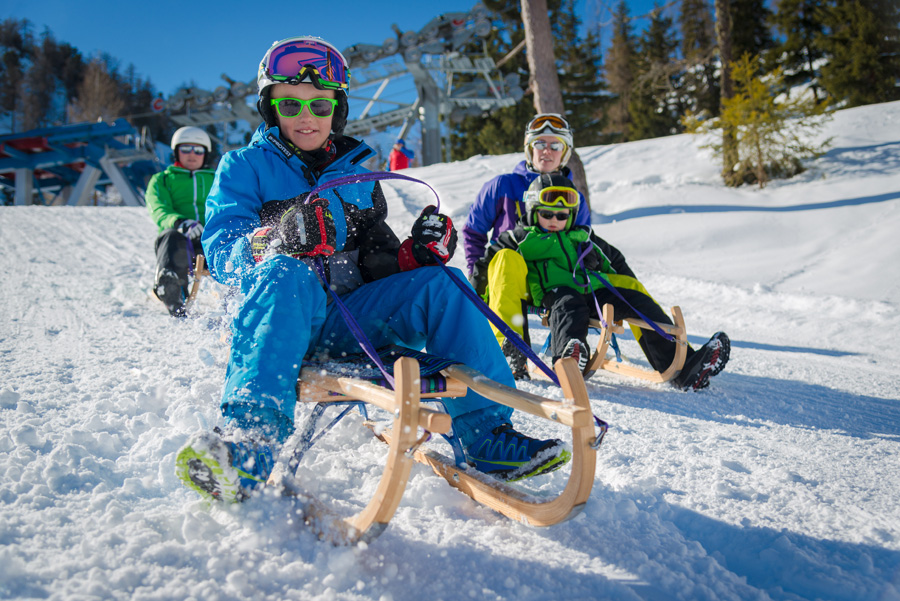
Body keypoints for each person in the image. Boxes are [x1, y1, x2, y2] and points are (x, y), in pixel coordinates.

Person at [175, 36, 570, 504]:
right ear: (270, 107)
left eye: (320, 105)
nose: (306, 116)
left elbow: (376, 259)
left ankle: (487, 437)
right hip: (278, 323)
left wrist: (415, 256)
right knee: (288, 273)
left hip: (348, 324)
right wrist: (278, 237)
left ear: (337, 110)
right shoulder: (244, 167)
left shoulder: (355, 176)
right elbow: (222, 252)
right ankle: (248, 444)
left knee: (444, 284)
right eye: (290, 103)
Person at [471, 174, 730, 391]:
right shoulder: (519, 238)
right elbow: (486, 268)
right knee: (569, 305)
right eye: (547, 214)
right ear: (533, 211)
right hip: (553, 292)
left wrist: (627, 290)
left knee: (635, 298)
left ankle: (684, 366)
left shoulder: (583, 237)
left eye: (561, 216)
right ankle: (566, 357)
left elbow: (617, 263)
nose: (554, 221)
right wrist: (472, 301)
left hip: (592, 290)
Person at [462, 114, 591, 378]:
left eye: (555, 145)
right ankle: (510, 349)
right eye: (540, 143)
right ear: (529, 148)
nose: (547, 151)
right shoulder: (502, 186)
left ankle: (569, 352)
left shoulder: (572, 197)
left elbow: (583, 240)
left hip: (554, 282)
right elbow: (473, 231)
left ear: (565, 152)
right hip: (508, 280)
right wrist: (478, 274)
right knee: (507, 258)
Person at [145, 126, 215, 317]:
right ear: (176, 152)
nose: (192, 154)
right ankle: (171, 287)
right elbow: (158, 208)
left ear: (205, 154)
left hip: (211, 240)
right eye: (186, 149)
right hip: (181, 242)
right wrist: (179, 222)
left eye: (198, 150)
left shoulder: (218, 179)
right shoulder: (163, 180)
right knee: (170, 236)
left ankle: (244, 291)